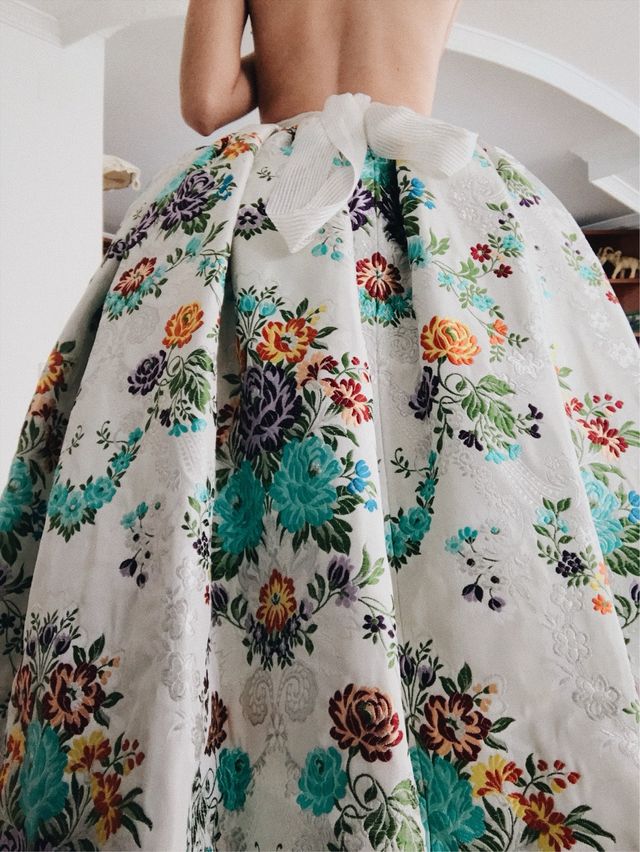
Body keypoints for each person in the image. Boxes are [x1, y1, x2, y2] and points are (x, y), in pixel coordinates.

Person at [0, 1, 638, 849]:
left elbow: (206, 101)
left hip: (271, 212)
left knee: (204, 476)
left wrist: (291, 60)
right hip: (430, 207)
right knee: (501, 467)